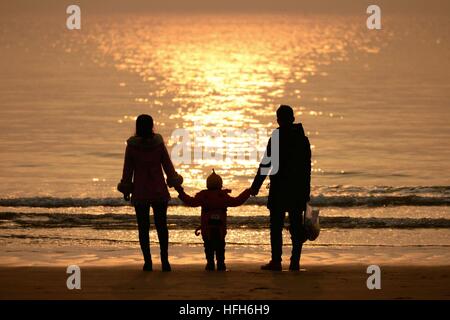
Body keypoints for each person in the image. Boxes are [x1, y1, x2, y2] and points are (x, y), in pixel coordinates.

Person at [250, 105, 311, 271]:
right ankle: (295, 262)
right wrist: (306, 193)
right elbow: (307, 169)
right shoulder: (303, 139)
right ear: (292, 118)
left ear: (278, 119)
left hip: (279, 189)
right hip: (298, 190)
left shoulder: (276, 138)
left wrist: (255, 186)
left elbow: (266, 163)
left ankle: (276, 261)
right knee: (296, 226)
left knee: (276, 226)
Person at [118, 114, 183, 272]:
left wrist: (126, 188)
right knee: (162, 226)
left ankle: (148, 262)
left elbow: (128, 170)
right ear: (152, 126)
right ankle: (165, 261)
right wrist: (175, 183)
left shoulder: (132, 146)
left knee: (143, 228)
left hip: (140, 192)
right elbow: (167, 165)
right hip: (159, 190)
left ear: (138, 126)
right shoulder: (158, 143)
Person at [175, 170, 251, 271]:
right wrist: (248, 192)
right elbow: (237, 201)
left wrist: (180, 191)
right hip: (220, 228)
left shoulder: (203, 195)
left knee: (208, 247)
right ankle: (221, 264)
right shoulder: (223, 195)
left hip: (207, 228)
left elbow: (191, 202)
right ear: (220, 184)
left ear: (207, 184)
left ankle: (210, 263)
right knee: (220, 247)